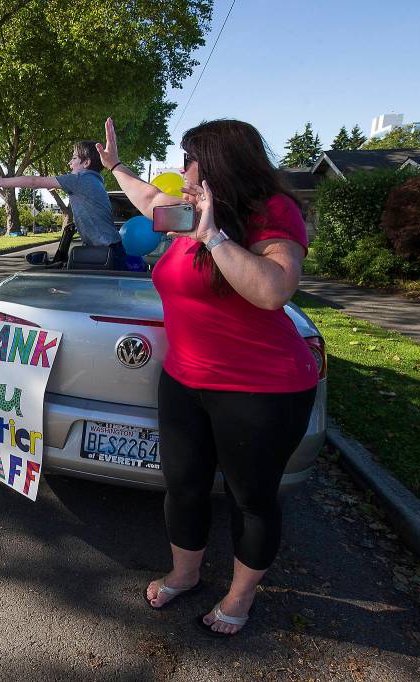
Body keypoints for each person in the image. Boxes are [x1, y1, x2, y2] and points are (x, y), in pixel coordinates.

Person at [97, 117, 319, 637]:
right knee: (183, 486)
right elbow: (147, 197)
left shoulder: (271, 213)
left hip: (262, 389)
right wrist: (115, 167)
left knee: (252, 498)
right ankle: (186, 574)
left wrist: (213, 235)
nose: (181, 170)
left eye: (189, 160)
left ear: (217, 163)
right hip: (185, 380)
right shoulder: (187, 209)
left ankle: (240, 598)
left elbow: (273, 290)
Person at [0, 141, 125, 270]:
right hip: (110, 249)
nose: (70, 162)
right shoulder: (95, 181)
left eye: (74, 158)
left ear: (86, 162)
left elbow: (34, 181)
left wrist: (0, 182)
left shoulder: (80, 178)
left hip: (105, 252)